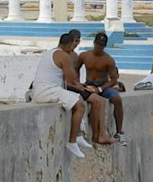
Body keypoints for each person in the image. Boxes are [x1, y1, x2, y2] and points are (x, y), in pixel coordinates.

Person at [29, 29, 107, 158]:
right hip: (47, 91)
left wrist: (79, 85)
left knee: (75, 98)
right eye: (72, 46)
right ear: (69, 45)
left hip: (43, 90)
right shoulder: (64, 55)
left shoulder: (50, 52)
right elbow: (71, 78)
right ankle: (72, 141)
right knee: (80, 105)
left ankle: (79, 136)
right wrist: (71, 65)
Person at [77, 31, 129, 144]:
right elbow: (75, 69)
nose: (99, 47)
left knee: (117, 99)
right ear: (94, 43)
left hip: (103, 85)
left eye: (101, 45)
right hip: (89, 83)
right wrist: (78, 83)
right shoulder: (84, 56)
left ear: (104, 46)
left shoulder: (108, 60)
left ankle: (119, 131)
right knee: (93, 102)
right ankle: (96, 133)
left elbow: (114, 79)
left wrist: (100, 89)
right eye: (97, 44)